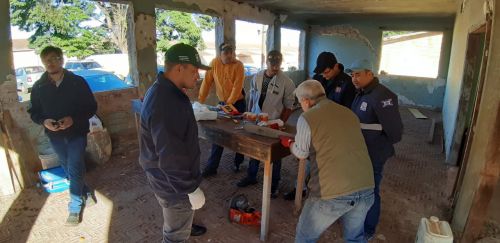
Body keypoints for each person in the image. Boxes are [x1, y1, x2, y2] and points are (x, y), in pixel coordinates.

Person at [280, 80, 374, 243]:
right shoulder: (349, 113)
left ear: (306, 101)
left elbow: (301, 154)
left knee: (305, 237)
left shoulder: (307, 117)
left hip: (332, 192)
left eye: (299, 101)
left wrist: (289, 144)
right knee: (355, 239)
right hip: (366, 187)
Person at [139, 43, 209, 242]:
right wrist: (190, 189)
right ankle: (179, 229)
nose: (198, 76)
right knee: (174, 237)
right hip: (172, 184)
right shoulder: (167, 101)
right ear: (179, 68)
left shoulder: (165, 90)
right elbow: (171, 157)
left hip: (164, 177)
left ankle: (182, 223)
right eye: (194, 70)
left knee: (176, 220)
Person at [28, 46, 98, 225]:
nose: (50, 63)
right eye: (46, 60)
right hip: (55, 136)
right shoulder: (39, 86)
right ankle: (86, 191)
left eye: (54, 58)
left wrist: (73, 119)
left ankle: (74, 207)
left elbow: (91, 107)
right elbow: (34, 112)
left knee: (74, 165)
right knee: (67, 167)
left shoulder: (77, 82)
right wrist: (44, 121)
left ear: (61, 59)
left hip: (76, 132)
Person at [347, 59, 403, 239]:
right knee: (359, 187)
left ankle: (368, 229)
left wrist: (378, 145)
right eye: (352, 75)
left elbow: (395, 132)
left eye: (358, 74)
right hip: (360, 152)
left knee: (371, 191)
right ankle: (356, 220)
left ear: (370, 73)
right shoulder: (362, 92)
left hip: (374, 153)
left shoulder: (383, 96)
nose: (354, 79)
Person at [236, 50, 296, 198]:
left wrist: (280, 123)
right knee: (255, 148)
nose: (275, 67)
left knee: (275, 153)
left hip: (274, 122)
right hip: (257, 119)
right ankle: (251, 176)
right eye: (272, 64)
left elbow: (289, 106)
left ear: (281, 63)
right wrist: (249, 114)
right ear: (266, 62)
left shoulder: (287, 82)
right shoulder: (257, 77)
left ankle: (274, 184)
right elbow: (252, 97)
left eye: (278, 64)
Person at [198, 42, 246, 177]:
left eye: (231, 52)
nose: (229, 55)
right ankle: (212, 167)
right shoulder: (214, 63)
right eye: (226, 53)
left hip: (238, 103)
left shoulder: (239, 65)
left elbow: (237, 88)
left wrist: (228, 104)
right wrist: (200, 101)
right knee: (218, 133)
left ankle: (238, 162)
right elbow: (206, 82)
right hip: (223, 103)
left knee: (239, 133)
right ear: (220, 53)